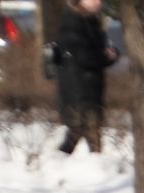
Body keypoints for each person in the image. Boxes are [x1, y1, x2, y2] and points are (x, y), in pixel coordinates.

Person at [52, 0, 117, 156]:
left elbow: (98, 51)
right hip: (78, 88)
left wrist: (110, 55)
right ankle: (60, 162)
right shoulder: (72, 22)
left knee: (84, 130)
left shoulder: (92, 21)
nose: (98, 2)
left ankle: (60, 161)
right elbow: (83, 56)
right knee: (83, 128)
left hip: (90, 86)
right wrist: (105, 56)